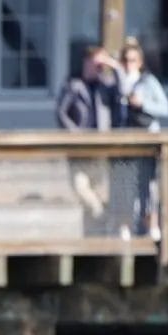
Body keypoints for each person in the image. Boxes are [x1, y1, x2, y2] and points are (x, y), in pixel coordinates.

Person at [97, 39, 168, 238]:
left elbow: (166, 109)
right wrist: (111, 66)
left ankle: (151, 226)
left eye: (133, 60)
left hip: (147, 141)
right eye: (125, 60)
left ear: (140, 62)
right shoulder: (116, 83)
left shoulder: (148, 82)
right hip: (125, 141)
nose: (129, 64)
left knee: (147, 185)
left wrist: (143, 103)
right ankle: (125, 226)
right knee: (124, 183)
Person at [55, 46, 119, 231]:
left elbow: (122, 92)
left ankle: (92, 237)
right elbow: (61, 112)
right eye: (96, 62)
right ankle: (101, 215)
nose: (98, 67)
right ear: (86, 61)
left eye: (101, 64)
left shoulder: (106, 85)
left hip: (101, 147)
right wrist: (75, 134)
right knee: (80, 187)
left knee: (97, 190)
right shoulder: (73, 84)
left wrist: (113, 66)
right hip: (78, 148)